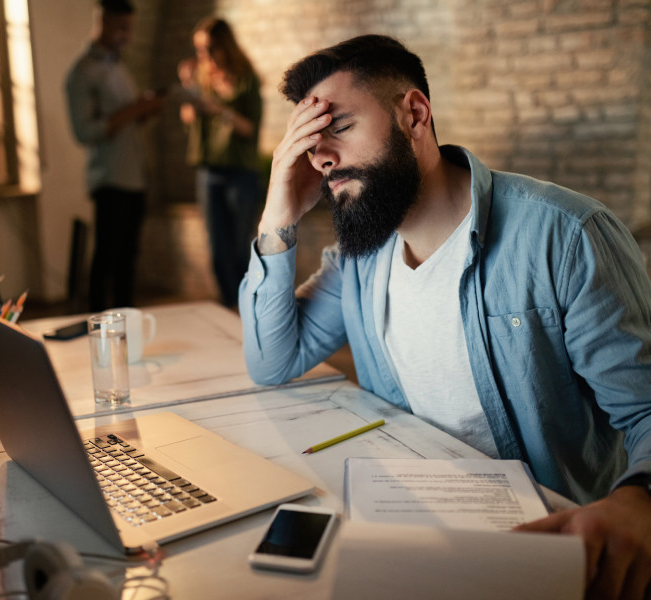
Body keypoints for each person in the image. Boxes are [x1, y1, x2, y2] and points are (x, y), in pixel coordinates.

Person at [239, 35, 651, 599]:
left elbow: (646, 407)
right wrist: (276, 213)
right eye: (309, 143)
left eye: (337, 128)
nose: (321, 158)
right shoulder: (360, 261)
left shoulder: (565, 236)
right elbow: (272, 359)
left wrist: (639, 499)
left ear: (414, 113)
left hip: (546, 556)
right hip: (418, 536)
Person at [65, 0, 164, 311]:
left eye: (130, 28)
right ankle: (99, 326)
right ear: (102, 22)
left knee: (128, 258)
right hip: (109, 178)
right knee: (107, 256)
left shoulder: (118, 66)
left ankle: (127, 324)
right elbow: (85, 132)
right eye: (122, 27)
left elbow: (126, 120)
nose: (127, 35)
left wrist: (144, 112)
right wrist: (135, 109)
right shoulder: (82, 72)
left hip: (134, 175)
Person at [178, 17, 262, 308]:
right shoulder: (201, 79)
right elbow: (188, 119)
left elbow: (251, 128)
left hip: (241, 172)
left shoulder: (246, 79)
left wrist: (216, 108)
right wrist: (188, 89)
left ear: (226, 46)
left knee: (241, 248)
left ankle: (247, 307)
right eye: (200, 49)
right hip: (209, 171)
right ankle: (229, 307)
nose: (205, 56)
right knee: (217, 249)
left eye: (211, 48)